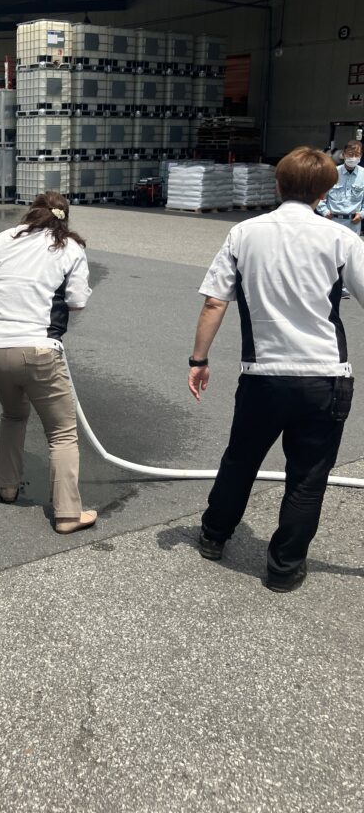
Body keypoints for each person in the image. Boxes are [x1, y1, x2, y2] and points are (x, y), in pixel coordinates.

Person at [188, 146, 364, 592]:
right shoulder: (341, 239)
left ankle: (213, 536)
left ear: (278, 184)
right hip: (324, 376)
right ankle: (284, 568)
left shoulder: (244, 233)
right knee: (307, 477)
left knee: (240, 459)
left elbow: (214, 302)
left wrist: (199, 360)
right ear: (325, 192)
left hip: (263, 375)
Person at [0, 190, 96, 534]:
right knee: (62, 432)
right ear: (64, 217)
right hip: (38, 351)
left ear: (31, 212)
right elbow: (77, 301)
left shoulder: (3, 239)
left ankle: (7, 488)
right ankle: (68, 515)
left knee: (13, 415)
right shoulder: (70, 248)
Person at [316, 138, 364, 234]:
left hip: (353, 224)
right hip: (332, 221)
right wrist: (324, 211)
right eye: (350, 154)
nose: (353, 157)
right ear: (344, 154)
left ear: (361, 155)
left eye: (357, 154)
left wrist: (362, 214)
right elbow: (319, 195)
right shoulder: (332, 173)